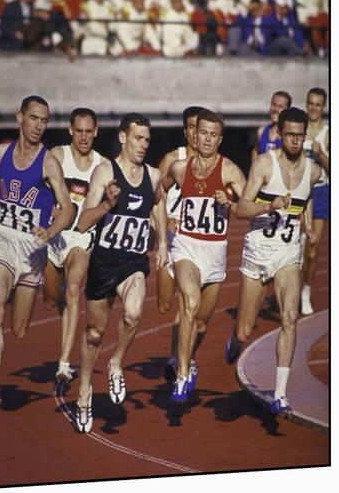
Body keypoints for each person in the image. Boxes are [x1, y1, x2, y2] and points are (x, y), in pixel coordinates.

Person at [74, 113, 168, 433]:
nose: (144, 145)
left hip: (133, 263)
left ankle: (115, 363)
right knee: (94, 334)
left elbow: (158, 204)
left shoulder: (153, 176)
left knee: (133, 313)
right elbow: (83, 223)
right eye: (139, 138)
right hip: (104, 262)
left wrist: (164, 242)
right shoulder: (104, 172)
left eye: (147, 140)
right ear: (124, 138)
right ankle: (85, 389)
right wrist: (107, 205)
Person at [225, 107, 321, 416]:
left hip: (287, 254)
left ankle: (280, 395)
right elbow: (241, 208)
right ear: (278, 134)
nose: (294, 140)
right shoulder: (264, 165)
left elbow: (304, 201)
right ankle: (235, 341)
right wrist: (270, 207)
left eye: (299, 135)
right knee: (244, 330)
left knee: (289, 317)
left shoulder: (314, 171)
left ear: (306, 136)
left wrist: (306, 224)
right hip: (257, 253)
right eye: (289, 134)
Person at [0, 95, 75, 411]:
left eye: (44, 120)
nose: (38, 125)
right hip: (1, 240)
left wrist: (50, 232)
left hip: (32, 249)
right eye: (33, 118)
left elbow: (68, 209)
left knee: (20, 330)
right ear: (19, 117)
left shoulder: (49, 163)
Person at [163, 108, 246, 403]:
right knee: (189, 303)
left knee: (200, 321)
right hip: (186, 246)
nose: (208, 140)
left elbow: (247, 208)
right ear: (194, 135)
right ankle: (182, 376)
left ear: (220, 139)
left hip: (215, 252)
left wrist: (231, 203)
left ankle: (189, 360)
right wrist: (164, 220)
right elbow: (157, 195)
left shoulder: (230, 171)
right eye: (203, 133)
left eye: (213, 135)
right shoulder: (178, 168)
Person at [43, 108, 107, 382]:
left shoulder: (102, 165)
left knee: (73, 289)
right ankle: (61, 312)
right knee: (50, 299)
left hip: (81, 239)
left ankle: (64, 364)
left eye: (88, 132)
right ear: (71, 130)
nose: (83, 137)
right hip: (54, 237)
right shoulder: (57, 156)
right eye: (78, 131)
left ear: (96, 132)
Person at [156, 106, 201, 381]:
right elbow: (154, 196)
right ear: (186, 131)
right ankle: (181, 355)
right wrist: (163, 222)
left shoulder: (213, 163)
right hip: (169, 240)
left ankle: (181, 359)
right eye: (193, 127)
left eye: (202, 127)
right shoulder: (173, 159)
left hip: (194, 243)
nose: (198, 134)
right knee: (164, 305)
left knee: (188, 302)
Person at [301, 88, 329, 315]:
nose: (313, 108)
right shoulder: (299, 129)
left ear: (324, 107)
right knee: (295, 249)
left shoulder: (328, 132)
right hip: (300, 193)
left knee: (312, 250)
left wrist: (321, 155)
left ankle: (306, 292)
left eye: (318, 104)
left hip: (320, 193)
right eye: (311, 103)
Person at [251, 90, 292, 161]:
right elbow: (255, 151)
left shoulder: (290, 136)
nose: (276, 109)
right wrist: (254, 169)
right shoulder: (261, 131)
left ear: (287, 111)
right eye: (274, 104)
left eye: (280, 106)